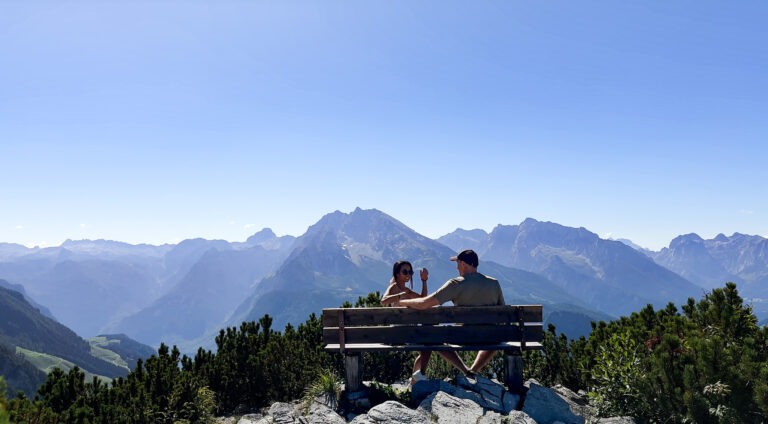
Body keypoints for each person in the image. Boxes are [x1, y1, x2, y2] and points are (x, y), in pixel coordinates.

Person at [398, 249, 505, 375]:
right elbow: (503, 314)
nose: (456, 267)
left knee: (432, 333)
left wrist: (402, 302)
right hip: (491, 337)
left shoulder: (455, 284)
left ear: (463, 264)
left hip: (462, 337)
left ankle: (465, 370)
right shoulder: (494, 283)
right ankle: (473, 371)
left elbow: (425, 304)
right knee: (494, 334)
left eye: (457, 263)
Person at [380, 261, 432, 385]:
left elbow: (423, 299)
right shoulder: (394, 288)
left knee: (427, 349)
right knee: (427, 348)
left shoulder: (407, 290)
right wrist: (400, 296)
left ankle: (415, 381)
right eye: (405, 271)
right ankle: (415, 382)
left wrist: (424, 281)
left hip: (407, 331)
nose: (408, 274)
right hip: (400, 332)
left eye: (410, 272)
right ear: (397, 273)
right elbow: (383, 301)